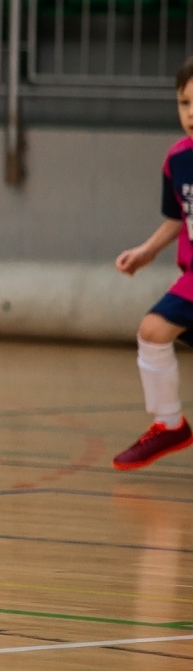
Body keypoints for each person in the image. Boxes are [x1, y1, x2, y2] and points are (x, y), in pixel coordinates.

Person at [113, 56, 193, 469]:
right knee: (153, 331)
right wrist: (147, 251)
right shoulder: (177, 160)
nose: (191, 113)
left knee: (154, 330)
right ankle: (169, 425)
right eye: (184, 102)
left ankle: (170, 424)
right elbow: (177, 217)